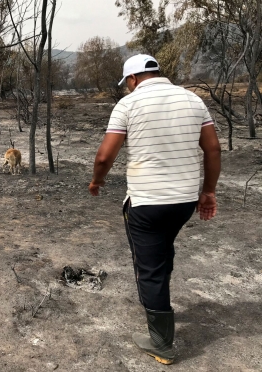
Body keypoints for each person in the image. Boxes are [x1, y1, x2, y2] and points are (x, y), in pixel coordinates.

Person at [88, 54, 221, 365]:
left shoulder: (128, 104)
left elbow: (105, 157)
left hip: (147, 203)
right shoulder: (192, 100)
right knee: (162, 249)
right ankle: (160, 300)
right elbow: (212, 148)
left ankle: (160, 343)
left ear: (132, 79)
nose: (127, 89)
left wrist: (97, 181)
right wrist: (209, 192)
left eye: (126, 84)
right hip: (184, 201)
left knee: (148, 266)